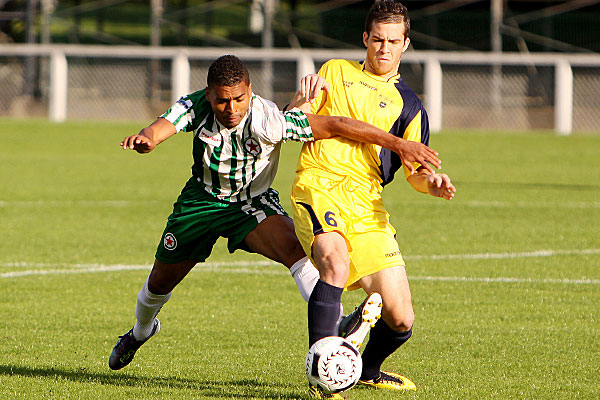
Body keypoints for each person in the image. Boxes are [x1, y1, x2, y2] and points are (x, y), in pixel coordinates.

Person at [108, 54, 442, 371]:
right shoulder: (195, 105)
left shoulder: (268, 119)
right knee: (158, 285)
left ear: (249, 91)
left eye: (239, 99)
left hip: (251, 204)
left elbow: (337, 124)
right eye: (222, 100)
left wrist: (398, 144)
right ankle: (140, 332)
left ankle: (336, 326)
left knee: (296, 253)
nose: (231, 108)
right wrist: (147, 139)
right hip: (200, 203)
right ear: (209, 95)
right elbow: (162, 125)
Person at [289, 1, 457, 398]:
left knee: (400, 317)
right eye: (378, 39)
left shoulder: (411, 106)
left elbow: (416, 171)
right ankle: (323, 375)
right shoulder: (334, 72)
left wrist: (431, 183)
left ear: (405, 45)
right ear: (365, 39)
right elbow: (296, 123)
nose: (384, 48)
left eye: (393, 41)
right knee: (334, 260)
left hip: (367, 204)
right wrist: (300, 100)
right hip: (319, 184)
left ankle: (367, 369)